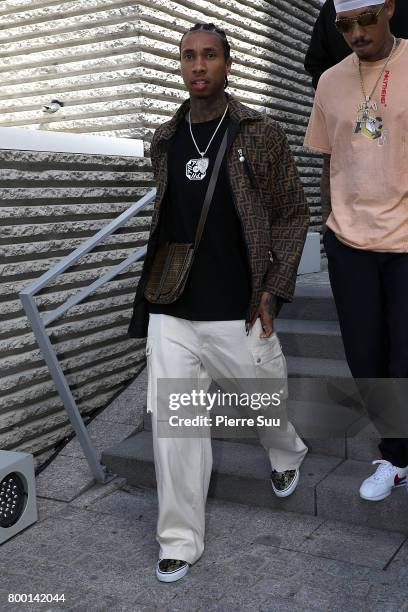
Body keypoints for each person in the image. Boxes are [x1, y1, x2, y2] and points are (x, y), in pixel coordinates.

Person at [128, 23, 309, 582]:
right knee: (174, 428)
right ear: (180, 66)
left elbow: (292, 213)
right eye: (188, 56)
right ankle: (179, 539)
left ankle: (287, 452)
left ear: (227, 64)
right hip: (173, 307)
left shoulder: (260, 133)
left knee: (262, 400)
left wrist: (274, 290)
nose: (198, 65)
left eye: (209, 55)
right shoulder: (164, 138)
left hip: (239, 304)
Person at [304, 0, 408, 503]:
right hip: (349, 242)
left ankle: (399, 454)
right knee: (366, 360)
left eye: (365, 19)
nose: (355, 32)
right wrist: (328, 230)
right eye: (344, 24)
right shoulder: (329, 82)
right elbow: (327, 161)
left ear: (388, 9)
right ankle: (396, 456)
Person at [304, 0, 408, 88]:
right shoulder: (332, 8)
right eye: (344, 25)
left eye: (367, 19)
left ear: (389, 7)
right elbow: (317, 64)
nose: (357, 34)